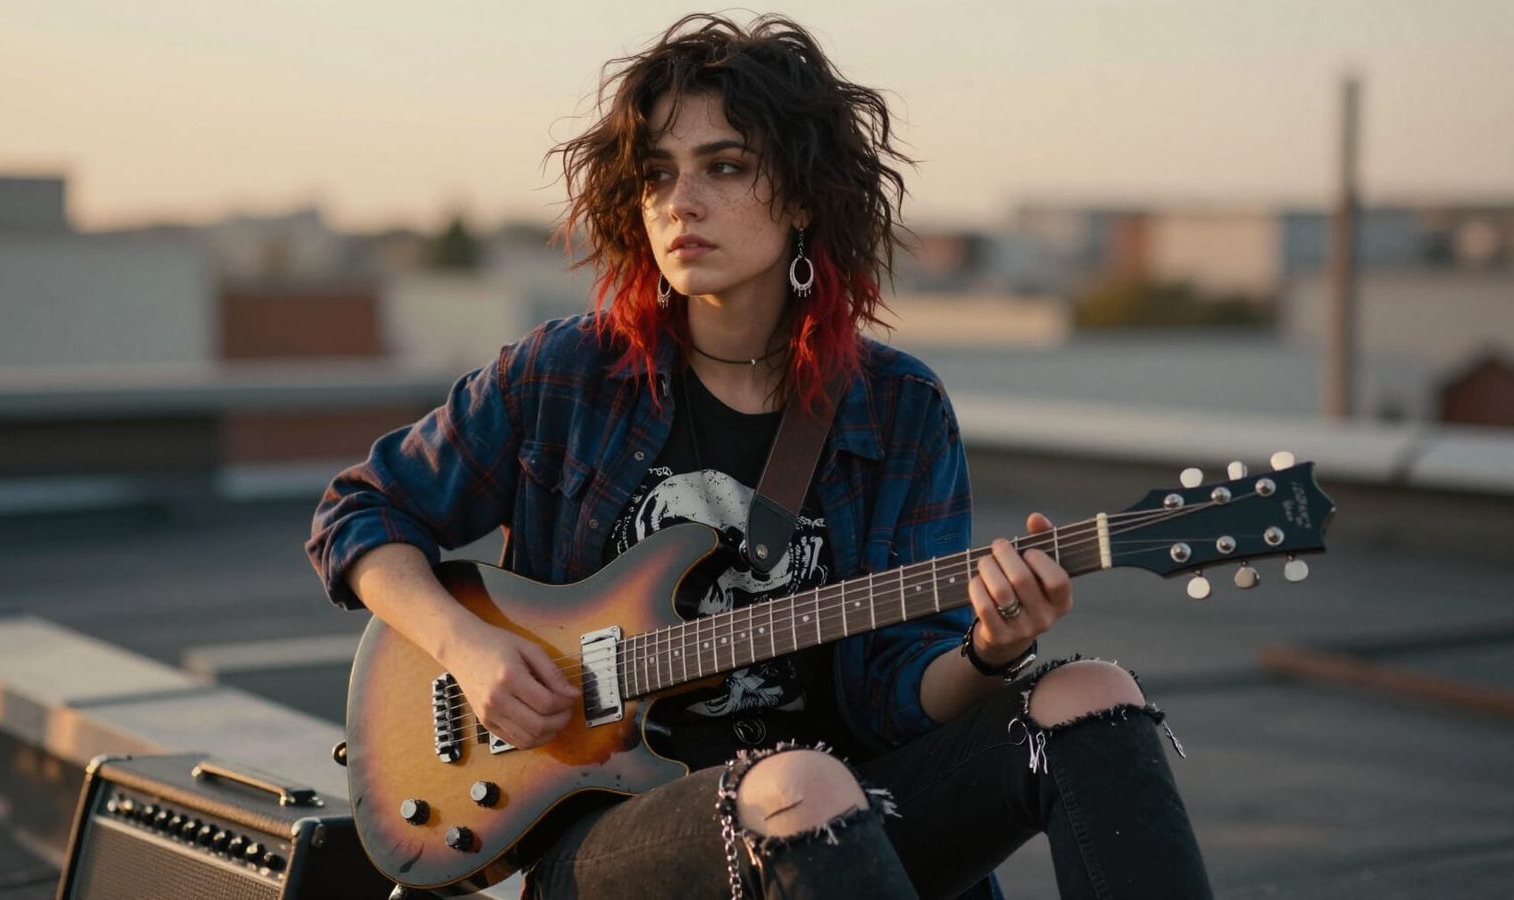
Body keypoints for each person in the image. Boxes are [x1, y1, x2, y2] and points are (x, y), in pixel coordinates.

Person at [307, 13, 1212, 900]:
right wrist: (467, 649)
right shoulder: (566, 376)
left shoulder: (898, 410)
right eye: (658, 174)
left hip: (850, 816)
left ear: (807, 195)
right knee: (797, 783)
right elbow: (360, 513)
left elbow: (897, 697)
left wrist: (986, 649)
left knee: (1092, 695)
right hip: (607, 830)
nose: (680, 202)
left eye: (725, 167)